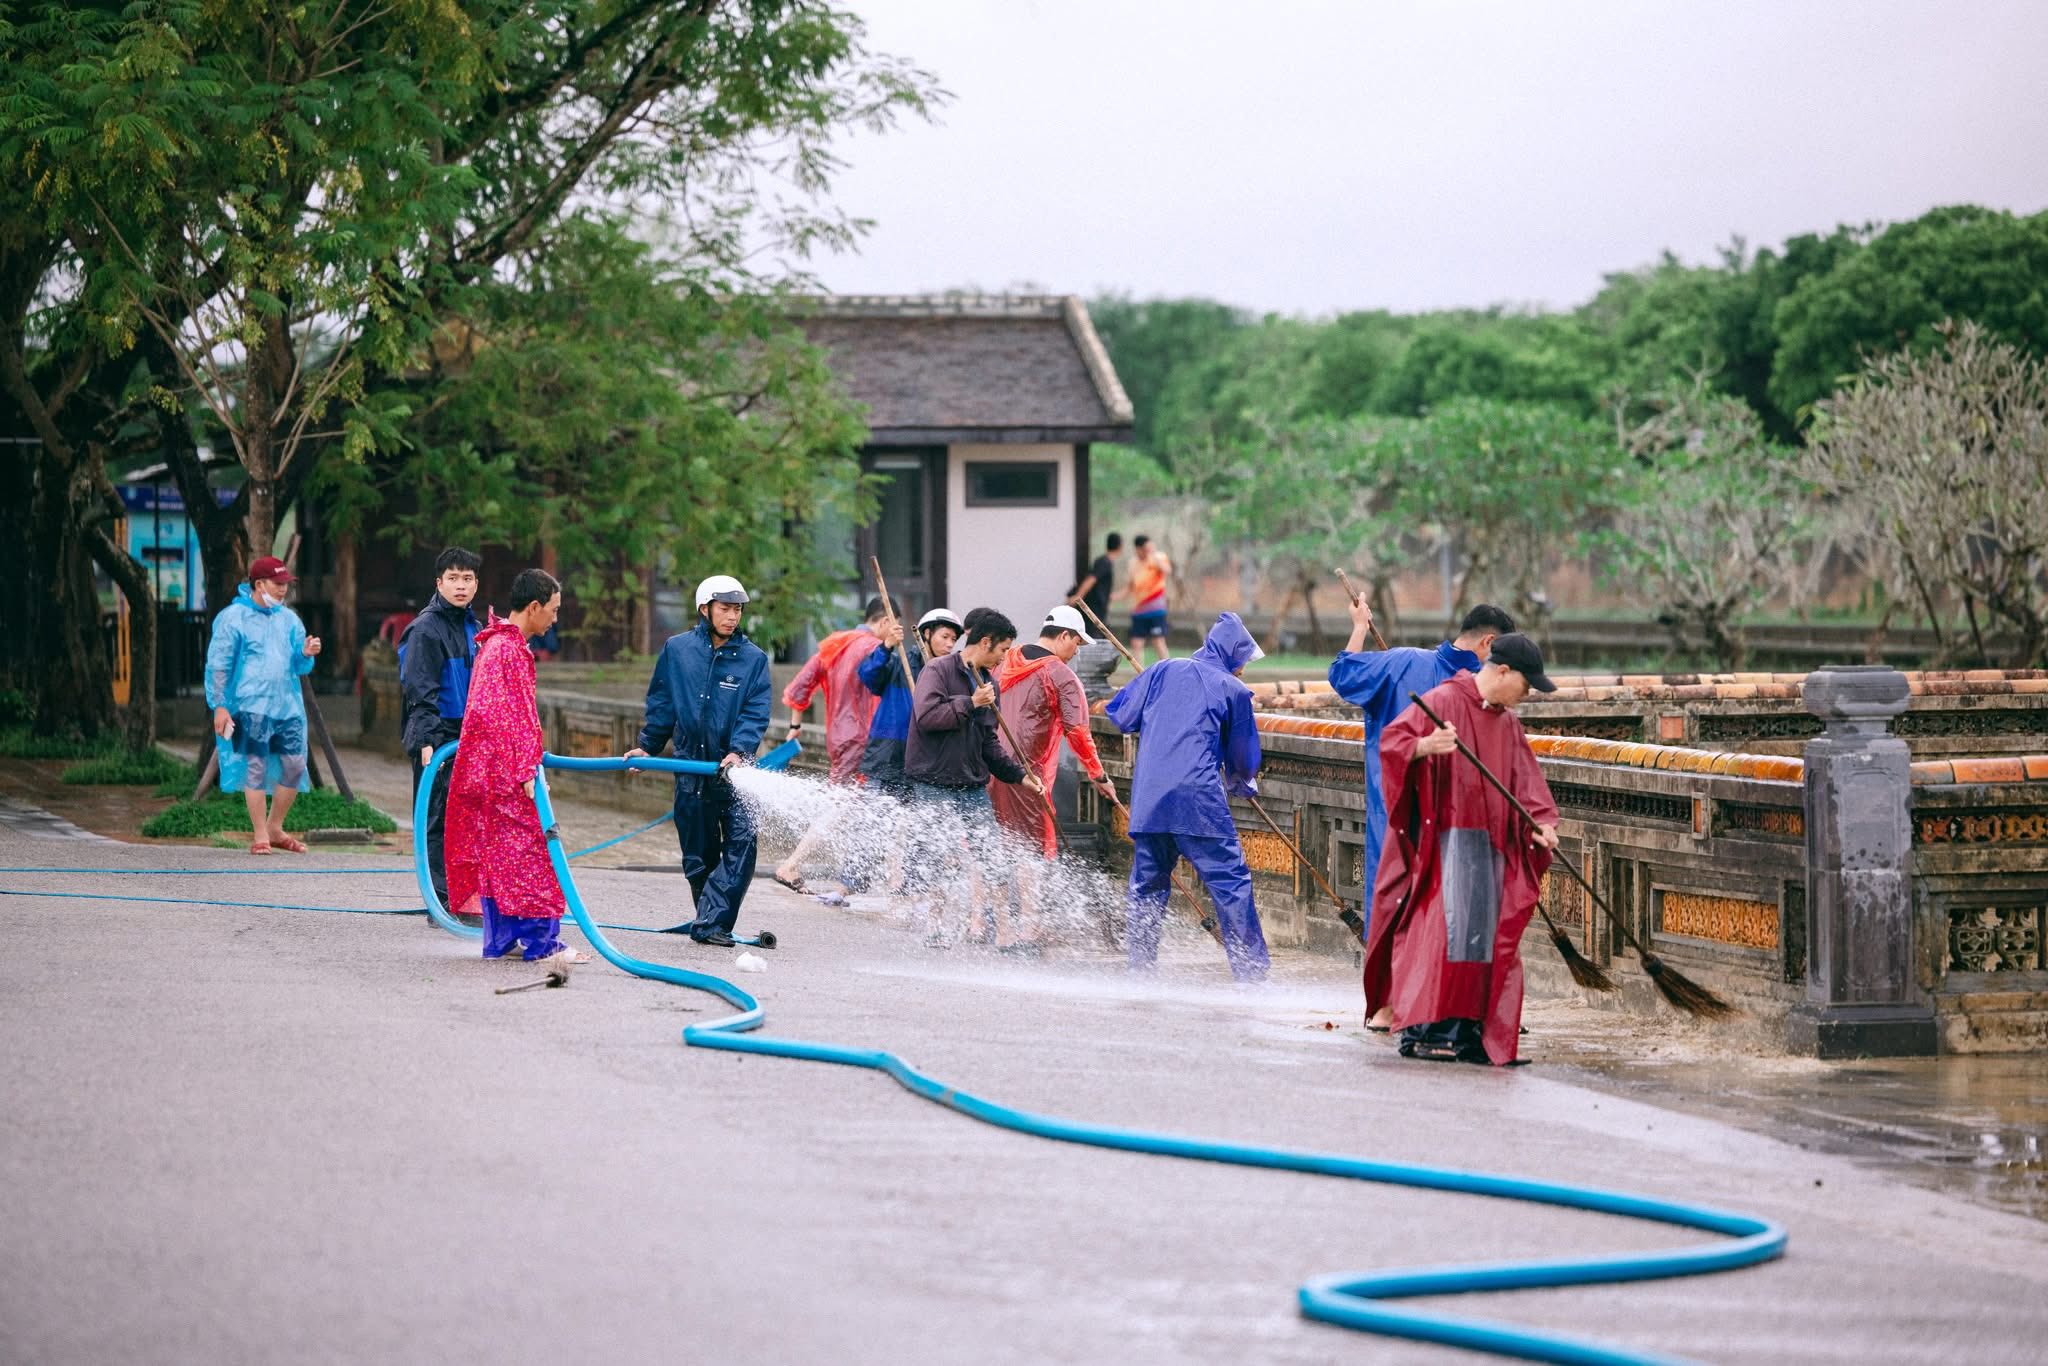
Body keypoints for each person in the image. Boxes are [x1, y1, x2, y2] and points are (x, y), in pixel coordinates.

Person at [1364, 634, 1560, 1066]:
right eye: (1527, 686)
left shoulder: (1506, 721)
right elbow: (1391, 745)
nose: (1526, 696)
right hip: (1445, 842)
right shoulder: (1443, 701)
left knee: (1484, 943)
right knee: (1441, 939)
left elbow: (1525, 780)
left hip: (1493, 844)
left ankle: (1471, 1032)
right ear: (1503, 671)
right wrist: (1422, 747)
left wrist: (1540, 824)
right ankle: (1426, 1030)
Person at [1329, 600, 1513, 974]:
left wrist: (1359, 628)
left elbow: (1342, 674)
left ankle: (1396, 1000)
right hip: (1444, 819)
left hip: (1395, 812)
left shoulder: (1401, 663)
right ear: (1488, 644)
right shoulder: (1478, 689)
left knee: (1399, 905)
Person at [1105, 612, 1268, 982]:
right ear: (1231, 655)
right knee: (1230, 884)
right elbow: (1243, 760)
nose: (1243, 668)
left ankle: (1140, 970)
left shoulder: (1162, 670)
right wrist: (1243, 785)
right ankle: (1252, 975)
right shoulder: (1234, 690)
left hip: (1150, 801)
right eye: (1242, 659)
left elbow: (1120, 715)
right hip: (1200, 803)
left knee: (1146, 885)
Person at [443, 570, 585, 966]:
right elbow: (500, 716)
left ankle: (505, 938)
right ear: (535, 607)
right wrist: (525, 769)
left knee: (502, 859)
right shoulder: (505, 649)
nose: (555, 619)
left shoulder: (501, 646)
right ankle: (542, 943)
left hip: (497, 772)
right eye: (553, 611)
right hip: (507, 776)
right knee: (532, 856)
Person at [624, 574, 771, 947]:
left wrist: (739, 751)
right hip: (691, 771)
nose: (732, 617)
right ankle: (709, 920)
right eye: (725, 608)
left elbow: (755, 713)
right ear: (704, 609)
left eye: (737, 610)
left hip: (735, 774)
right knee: (698, 856)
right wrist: (648, 747)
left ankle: (712, 923)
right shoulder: (677, 651)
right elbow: (662, 704)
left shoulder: (754, 660)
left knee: (741, 847)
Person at [905, 609, 1042, 946]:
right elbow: (927, 717)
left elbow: (988, 742)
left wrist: (1019, 775)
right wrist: (970, 701)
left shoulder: (990, 683)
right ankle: (934, 927)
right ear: (984, 642)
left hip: (971, 785)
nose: (1003, 657)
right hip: (934, 781)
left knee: (992, 857)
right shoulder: (938, 670)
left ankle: (1004, 935)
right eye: (1001, 650)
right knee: (939, 856)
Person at [990, 606, 1118, 947]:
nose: (1076, 651)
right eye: (1076, 643)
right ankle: (1028, 930)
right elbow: (1078, 732)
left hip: (988, 768)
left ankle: (998, 927)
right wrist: (1099, 774)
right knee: (1031, 852)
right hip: (1027, 775)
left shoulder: (1006, 659)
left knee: (995, 848)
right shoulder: (1060, 675)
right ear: (1064, 636)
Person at [205, 556, 320, 855]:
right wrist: (219, 705)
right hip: (251, 705)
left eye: (286, 585)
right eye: (277, 584)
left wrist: (306, 653)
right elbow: (218, 664)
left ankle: (275, 826)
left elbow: (298, 665)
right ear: (259, 584)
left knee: (295, 766)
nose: (283, 590)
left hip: (288, 708)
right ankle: (260, 835)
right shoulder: (233, 618)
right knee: (254, 767)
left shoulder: (289, 619)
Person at [770, 598, 887, 892]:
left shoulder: (834, 645)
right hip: (863, 738)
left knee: (853, 807)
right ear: (885, 621)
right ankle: (792, 864)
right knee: (839, 807)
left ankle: (851, 878)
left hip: (838, 737)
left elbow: (799, 687)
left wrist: (795, 726)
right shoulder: (873, 649)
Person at [397, 546, 482, 908]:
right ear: (439, 583)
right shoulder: (424, 629)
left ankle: (465, 893)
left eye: (466, 579)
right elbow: (419, 690)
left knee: (468, 816)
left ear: (476, 584)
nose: (460, 586)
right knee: (435, 817)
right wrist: (426, 740)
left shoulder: (475, 628)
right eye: (452, 578)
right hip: (438, 734)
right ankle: (441, 900)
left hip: (469, 734)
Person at [1125, 534, 1173, 665]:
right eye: (1143, 549)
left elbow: (1167, 570)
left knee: (1158, 641)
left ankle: (1167, 671)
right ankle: (1139, 675)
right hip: (1139, 610)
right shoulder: (1133, 563)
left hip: (1157, 610)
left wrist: (1154, 556)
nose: (1145, 552)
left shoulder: (1159, 557)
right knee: (1136, 643)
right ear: (1137, 549)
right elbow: (1130, 586)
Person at [1067, 531, 1123, 626]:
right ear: (1120, 547)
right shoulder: (1104, 562)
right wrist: (1078, 597)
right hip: (1094, 609)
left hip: (1098, 608)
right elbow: (1091, 579)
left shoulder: (1105, 562)